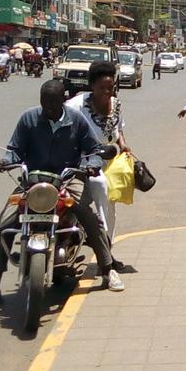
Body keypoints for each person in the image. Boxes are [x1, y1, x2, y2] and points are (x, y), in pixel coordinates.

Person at [0, 80, 122, 310]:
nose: (49, 108)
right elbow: (14, 150)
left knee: (88, 217)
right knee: (4, 224)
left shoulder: (76, 120)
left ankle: (108, 269)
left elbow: (93, 149)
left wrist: (92, 164)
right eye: (45, 102)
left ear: (63, 99)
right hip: (33, 182)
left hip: (68, 179)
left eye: (54, 102)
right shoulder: (29, 119)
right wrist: (6, 161)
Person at [66, 61, 131, 242]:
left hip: (109, 159)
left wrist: (123, 144)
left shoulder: (116, 104)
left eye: (110, 87)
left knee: (110, 207)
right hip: (83, 162)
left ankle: (107, 247)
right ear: (92, 85)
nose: (107, 92)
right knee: (100, 188)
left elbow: (118, 128)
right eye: (102, 87)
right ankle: (93, 241)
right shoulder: (75, 106)